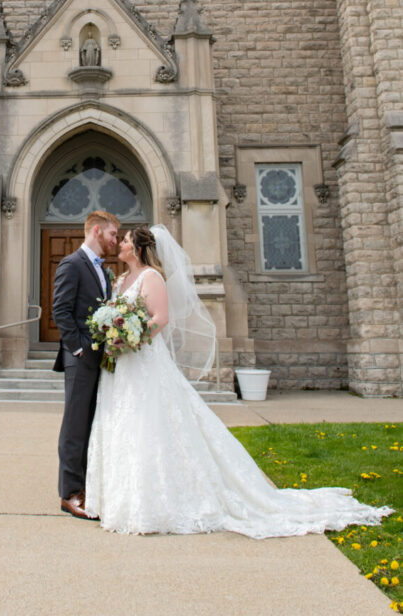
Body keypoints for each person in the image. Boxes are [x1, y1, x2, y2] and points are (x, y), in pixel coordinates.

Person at [84, 224, 393, 537]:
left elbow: (159, 319)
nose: (119, 244)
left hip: (144, 360)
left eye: (124, 240)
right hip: (122, 367)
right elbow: (118, 314)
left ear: (136, 248)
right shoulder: (122, 279)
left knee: (150, 424)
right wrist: (115, 335)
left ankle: (154, 502)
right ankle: (123, 498)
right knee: (125, 422)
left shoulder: (152, 277)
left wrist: (133, 339)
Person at [52, 209, 119, 519]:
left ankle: (85, 485)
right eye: (112, 235)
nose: (115, 242)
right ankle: (69, 493)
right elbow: (60, 311)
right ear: (96, 232)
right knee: (75, 427)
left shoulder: (102, 270)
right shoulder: (72, 264)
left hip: (97, 360)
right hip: (80, 360)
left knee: (91, 423)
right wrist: (78, 349)